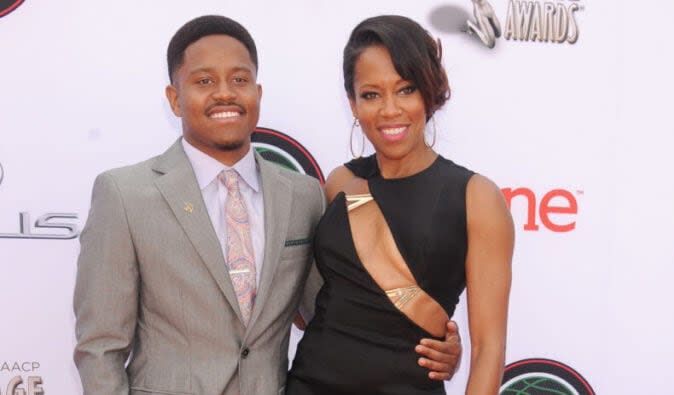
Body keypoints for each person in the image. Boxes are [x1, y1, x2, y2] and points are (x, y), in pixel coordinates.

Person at [73, 15, 461, 395]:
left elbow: (334, 311)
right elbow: (100, 348)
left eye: (239, 79)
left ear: (257, 95)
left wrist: (430, 346)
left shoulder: (304, 195)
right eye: (204, 81)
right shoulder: (125, 195)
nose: (225, 92)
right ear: (175, 99)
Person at [287, 15, 514, 395]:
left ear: (430, 91)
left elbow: (490, 349)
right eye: (371, 94)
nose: (390, 110)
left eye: (406, 89)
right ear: (353, 103)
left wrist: (453, 351)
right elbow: (308, 304)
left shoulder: (477, 198)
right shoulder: (340, 183)